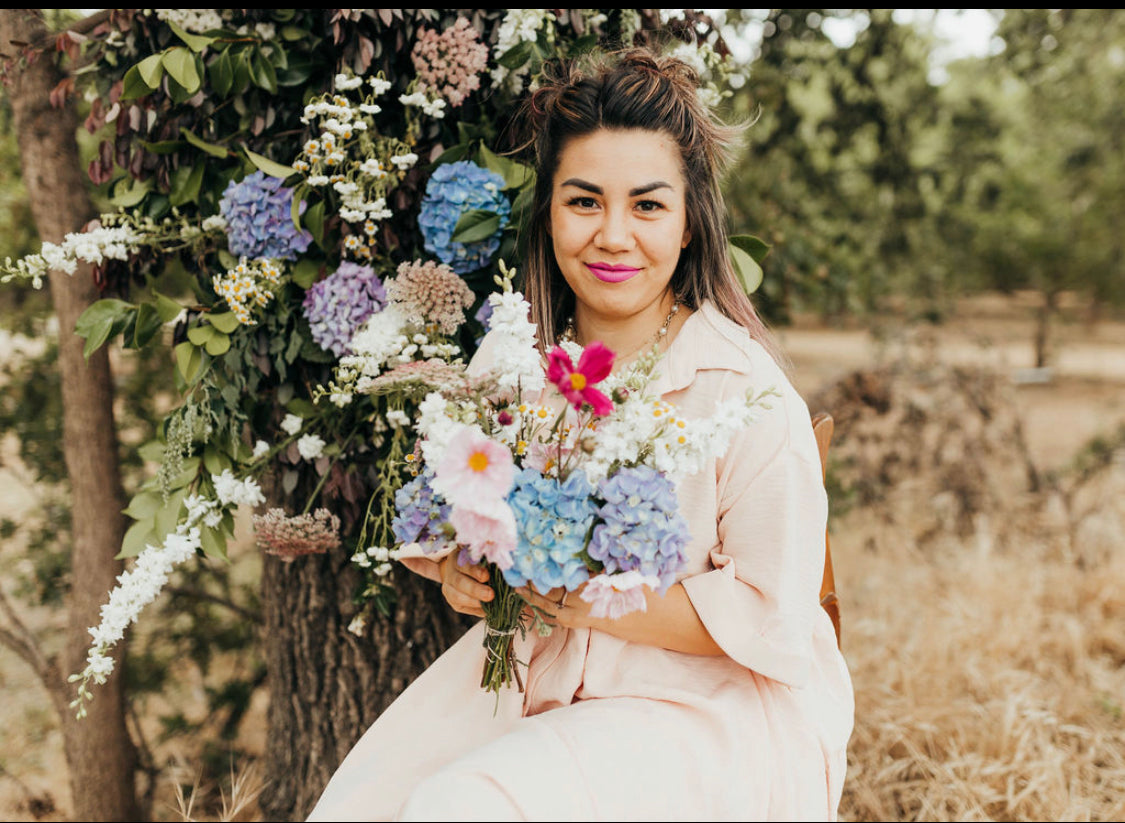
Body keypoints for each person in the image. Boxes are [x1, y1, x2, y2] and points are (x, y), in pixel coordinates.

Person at [307, 46, 854, 822]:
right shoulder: (514, 359)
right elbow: (458, 509)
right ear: (550, 210)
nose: (613, 235)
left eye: (648, 205)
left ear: (692, 223)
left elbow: (775, 617)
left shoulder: (743, 389)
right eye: (585, 201)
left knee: (465, 804)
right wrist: (463, 567)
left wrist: (583, 596)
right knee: (360, 809)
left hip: (705, 708)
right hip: (538, 675)